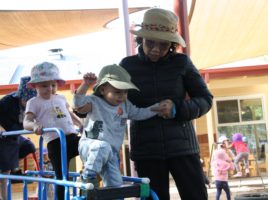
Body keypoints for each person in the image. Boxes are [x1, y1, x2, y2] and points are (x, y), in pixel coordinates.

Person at [119, 8, 213, 200]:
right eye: (150, 42)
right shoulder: (127, 66)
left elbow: (205, 99)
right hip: (147, 151)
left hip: (183, 148)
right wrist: (85, 107)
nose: (155, 49)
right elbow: (107, 97)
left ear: (171, 45)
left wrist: (177, 108)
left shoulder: (182, 63)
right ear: (141, 39)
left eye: (163, 45)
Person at [73, 64, 170, 193]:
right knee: (102, 146)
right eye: (117, 92)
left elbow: (139, 113)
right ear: (102, 90)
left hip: (111, 153)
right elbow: (77, 104)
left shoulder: (125, 105)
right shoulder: (94, 101)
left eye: (125, 92)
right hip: (90, 146)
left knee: (116, 185)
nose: (122, 96)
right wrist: (85, 85)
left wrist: (156, 108)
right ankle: (87, 177)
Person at [23, 62, 82, 200]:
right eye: (44, 85)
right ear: (35, 86)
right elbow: (26, 121)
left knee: (90, 146)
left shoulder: (60, 98)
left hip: (71, 137)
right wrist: (34, 126)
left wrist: (79, 123)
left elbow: (69, 113)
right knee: (62, 176)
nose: (49, 89)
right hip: (55, 142)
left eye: (53, 85)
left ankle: (92, 174)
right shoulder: (34, 102)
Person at [0, 76, 37, 200]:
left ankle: (13, 164)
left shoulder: (33, 104)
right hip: (3, 137)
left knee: (29, 146)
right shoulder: (7, 102)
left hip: (15, 136)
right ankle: (5, 197)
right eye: (27, 100)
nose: (29, 103)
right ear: (20, 95)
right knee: (5, 173)